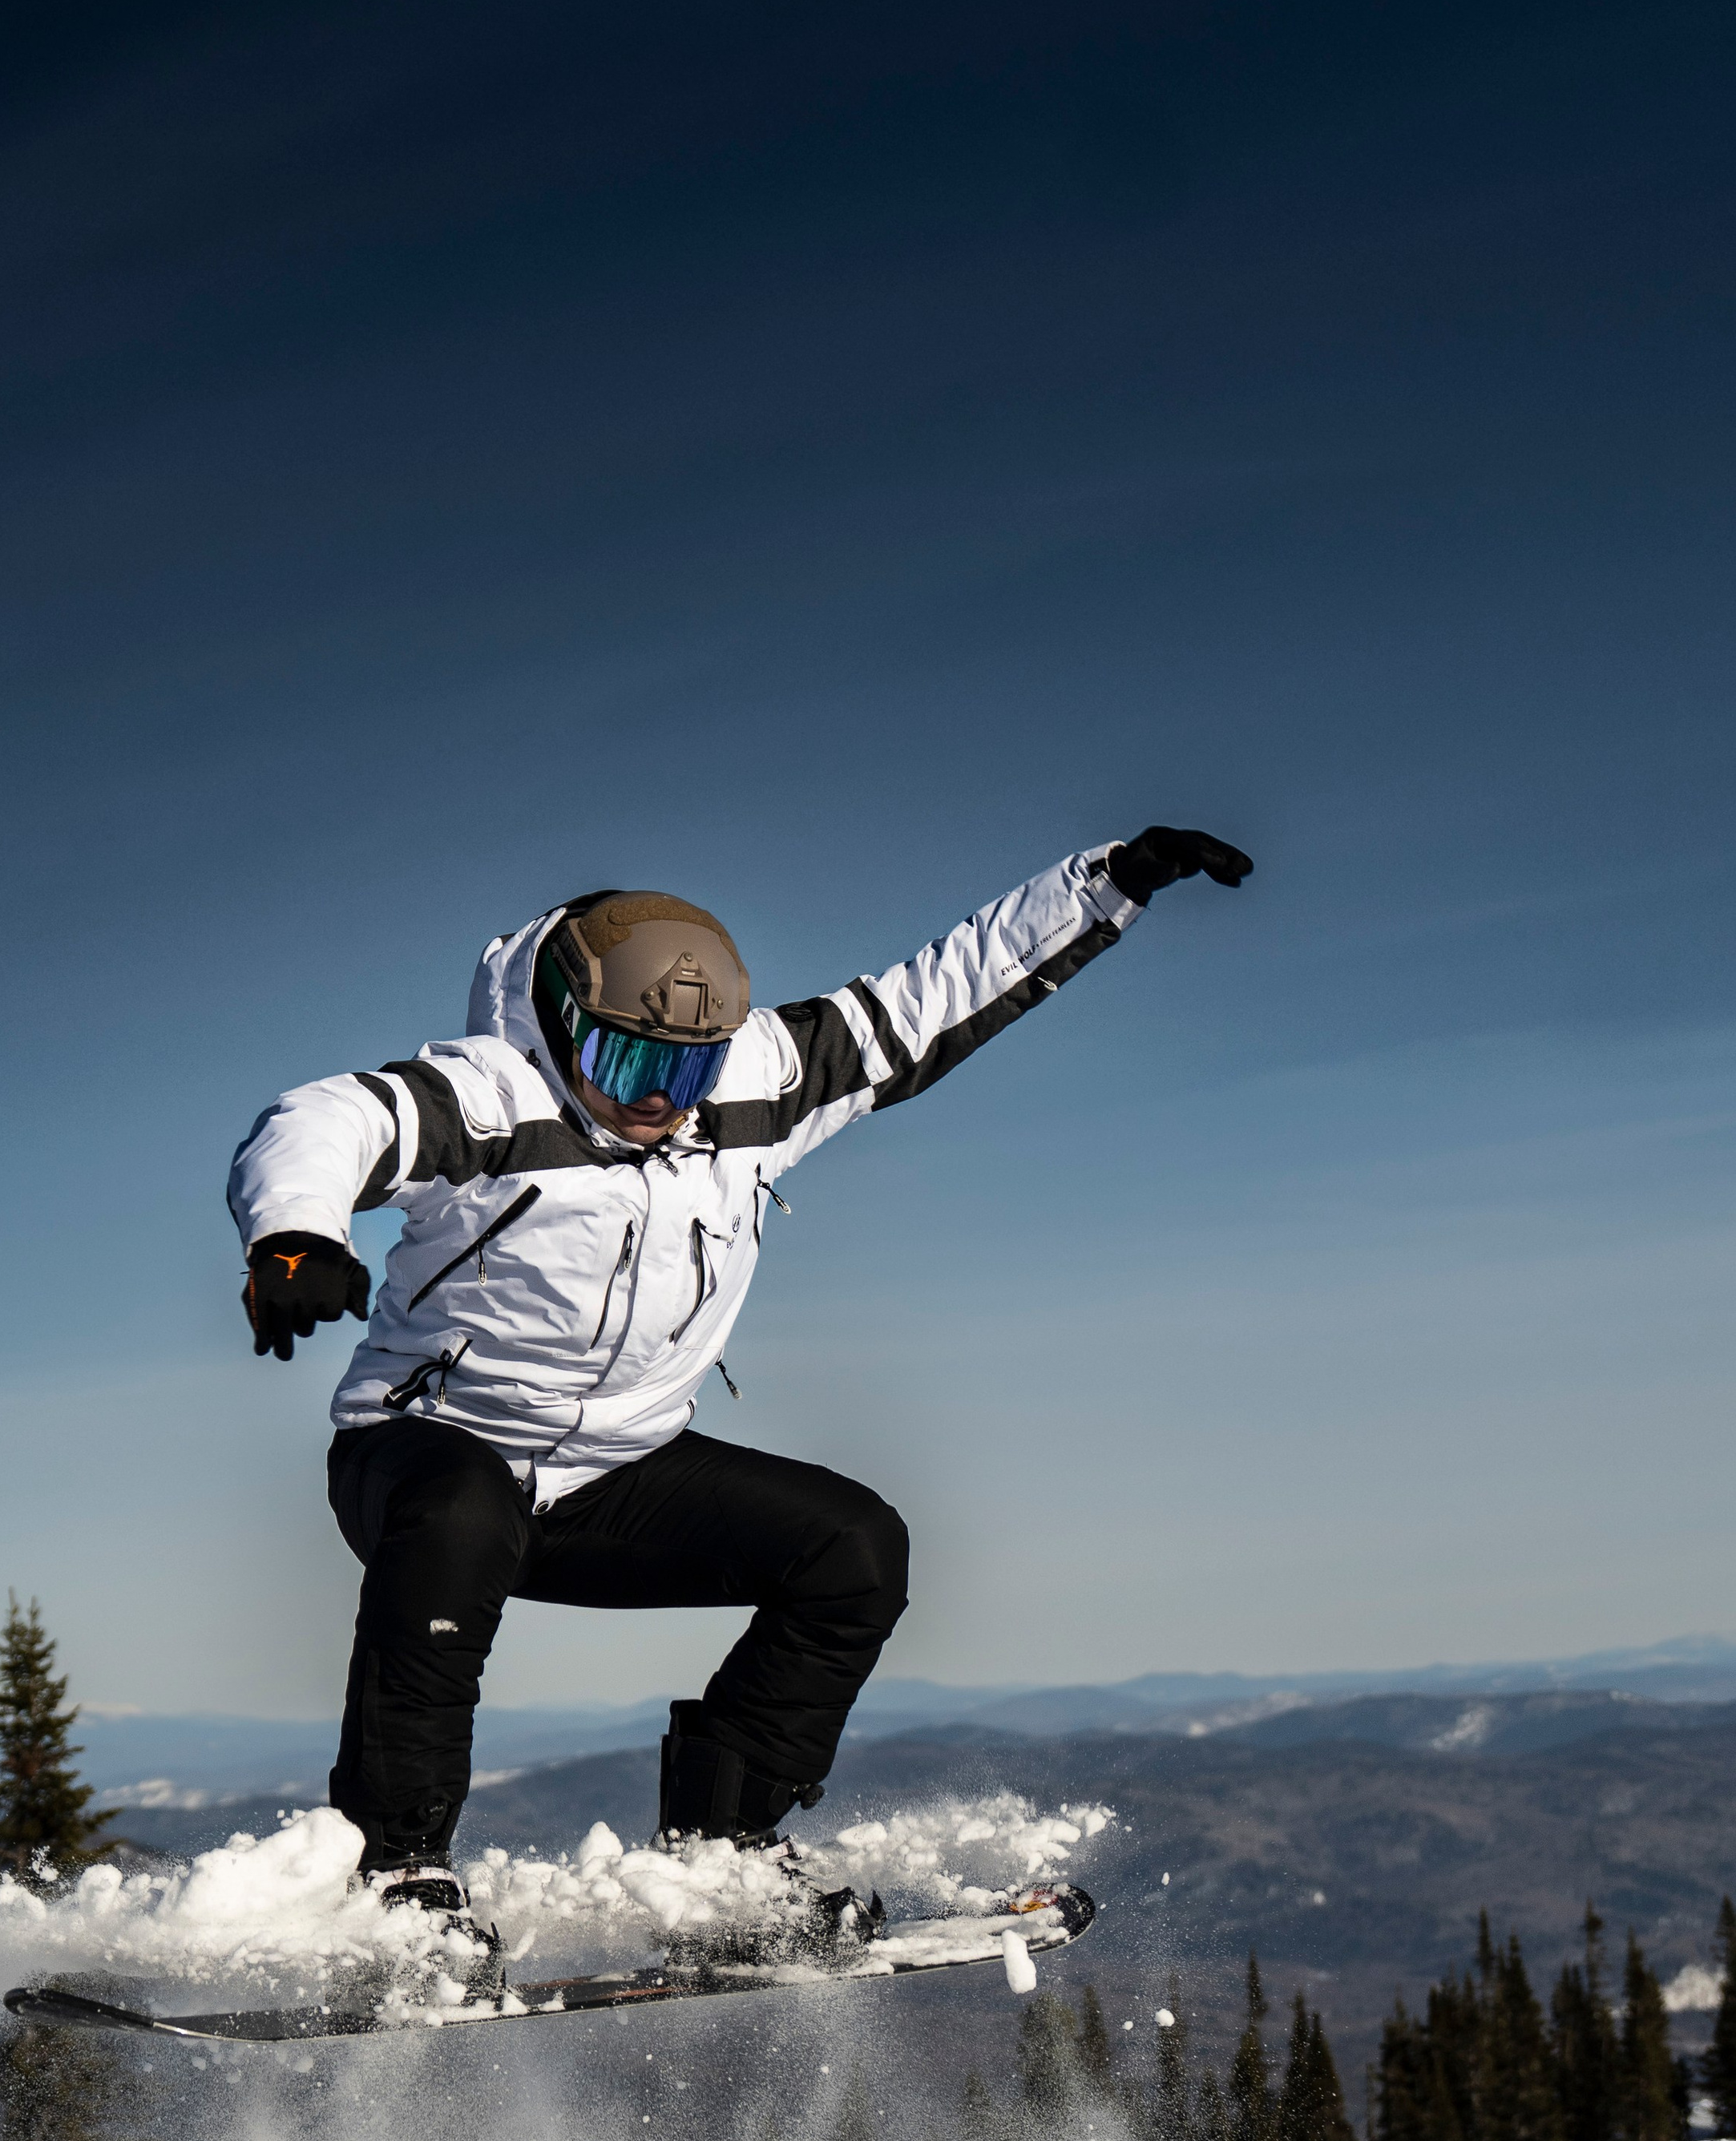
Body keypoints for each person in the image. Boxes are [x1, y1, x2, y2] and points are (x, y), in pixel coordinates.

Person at [227, 825, 1252, 1933]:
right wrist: (292, 1236)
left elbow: (937, 996)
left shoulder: (760, 1087)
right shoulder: (487, 1097)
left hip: (619, 1470)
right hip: (426, 1449)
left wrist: (1106, 883)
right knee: (463, 1516)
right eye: (630, 1062)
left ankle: (722, 1859)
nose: (661, 1099)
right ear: (563, 1022)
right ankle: (397, 1877)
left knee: (853, 1548)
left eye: (689, 1067)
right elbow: (324, 1120)